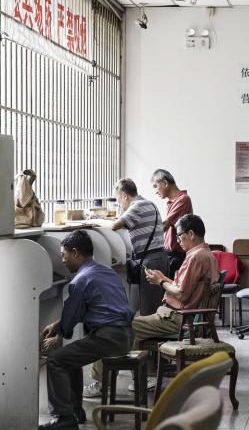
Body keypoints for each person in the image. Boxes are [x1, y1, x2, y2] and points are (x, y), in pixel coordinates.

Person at [86, 214, 220, 394]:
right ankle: (143, 379)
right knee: (135, 329)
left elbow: (181, 293)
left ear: (191, 233)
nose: (178, 240)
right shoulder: (206, 254)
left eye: (179, 235)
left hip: (177, 318)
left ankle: (101, 383)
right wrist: (163, 278)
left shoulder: (195, 257)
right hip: (180, 316)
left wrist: (160, 283)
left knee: (116, 327)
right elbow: (186, 287)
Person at [39, 231, 133, 430]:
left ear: (75, 253)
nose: (62, 260)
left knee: (56, 360)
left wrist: (59, 336)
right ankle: (76, 411)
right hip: (125, 334)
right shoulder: (106, 271)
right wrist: (58, 325)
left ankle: (64, 418)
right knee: (70, 358)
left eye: (64, 255)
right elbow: (93, 308)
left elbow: (73, 312)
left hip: (109, 338)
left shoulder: (80, 280)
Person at [111, 178, 167, 316]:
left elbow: (113, 226)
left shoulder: (137, 207)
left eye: (118, 201)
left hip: (151, 261)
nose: (120, 206)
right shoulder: (150, 204)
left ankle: (153, 338)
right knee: (155, 307)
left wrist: (94, 220)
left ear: (124, 195)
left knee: (149, 311)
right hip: (159, 258)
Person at [150, 169, 193, 278]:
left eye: (155, 186)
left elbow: (165, 225)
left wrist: (146, 237)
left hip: (177, 256)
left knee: (171, 292)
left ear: (165, 183)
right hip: (170, 255)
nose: (155, 191)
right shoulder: (171, 202)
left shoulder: (183, 199)